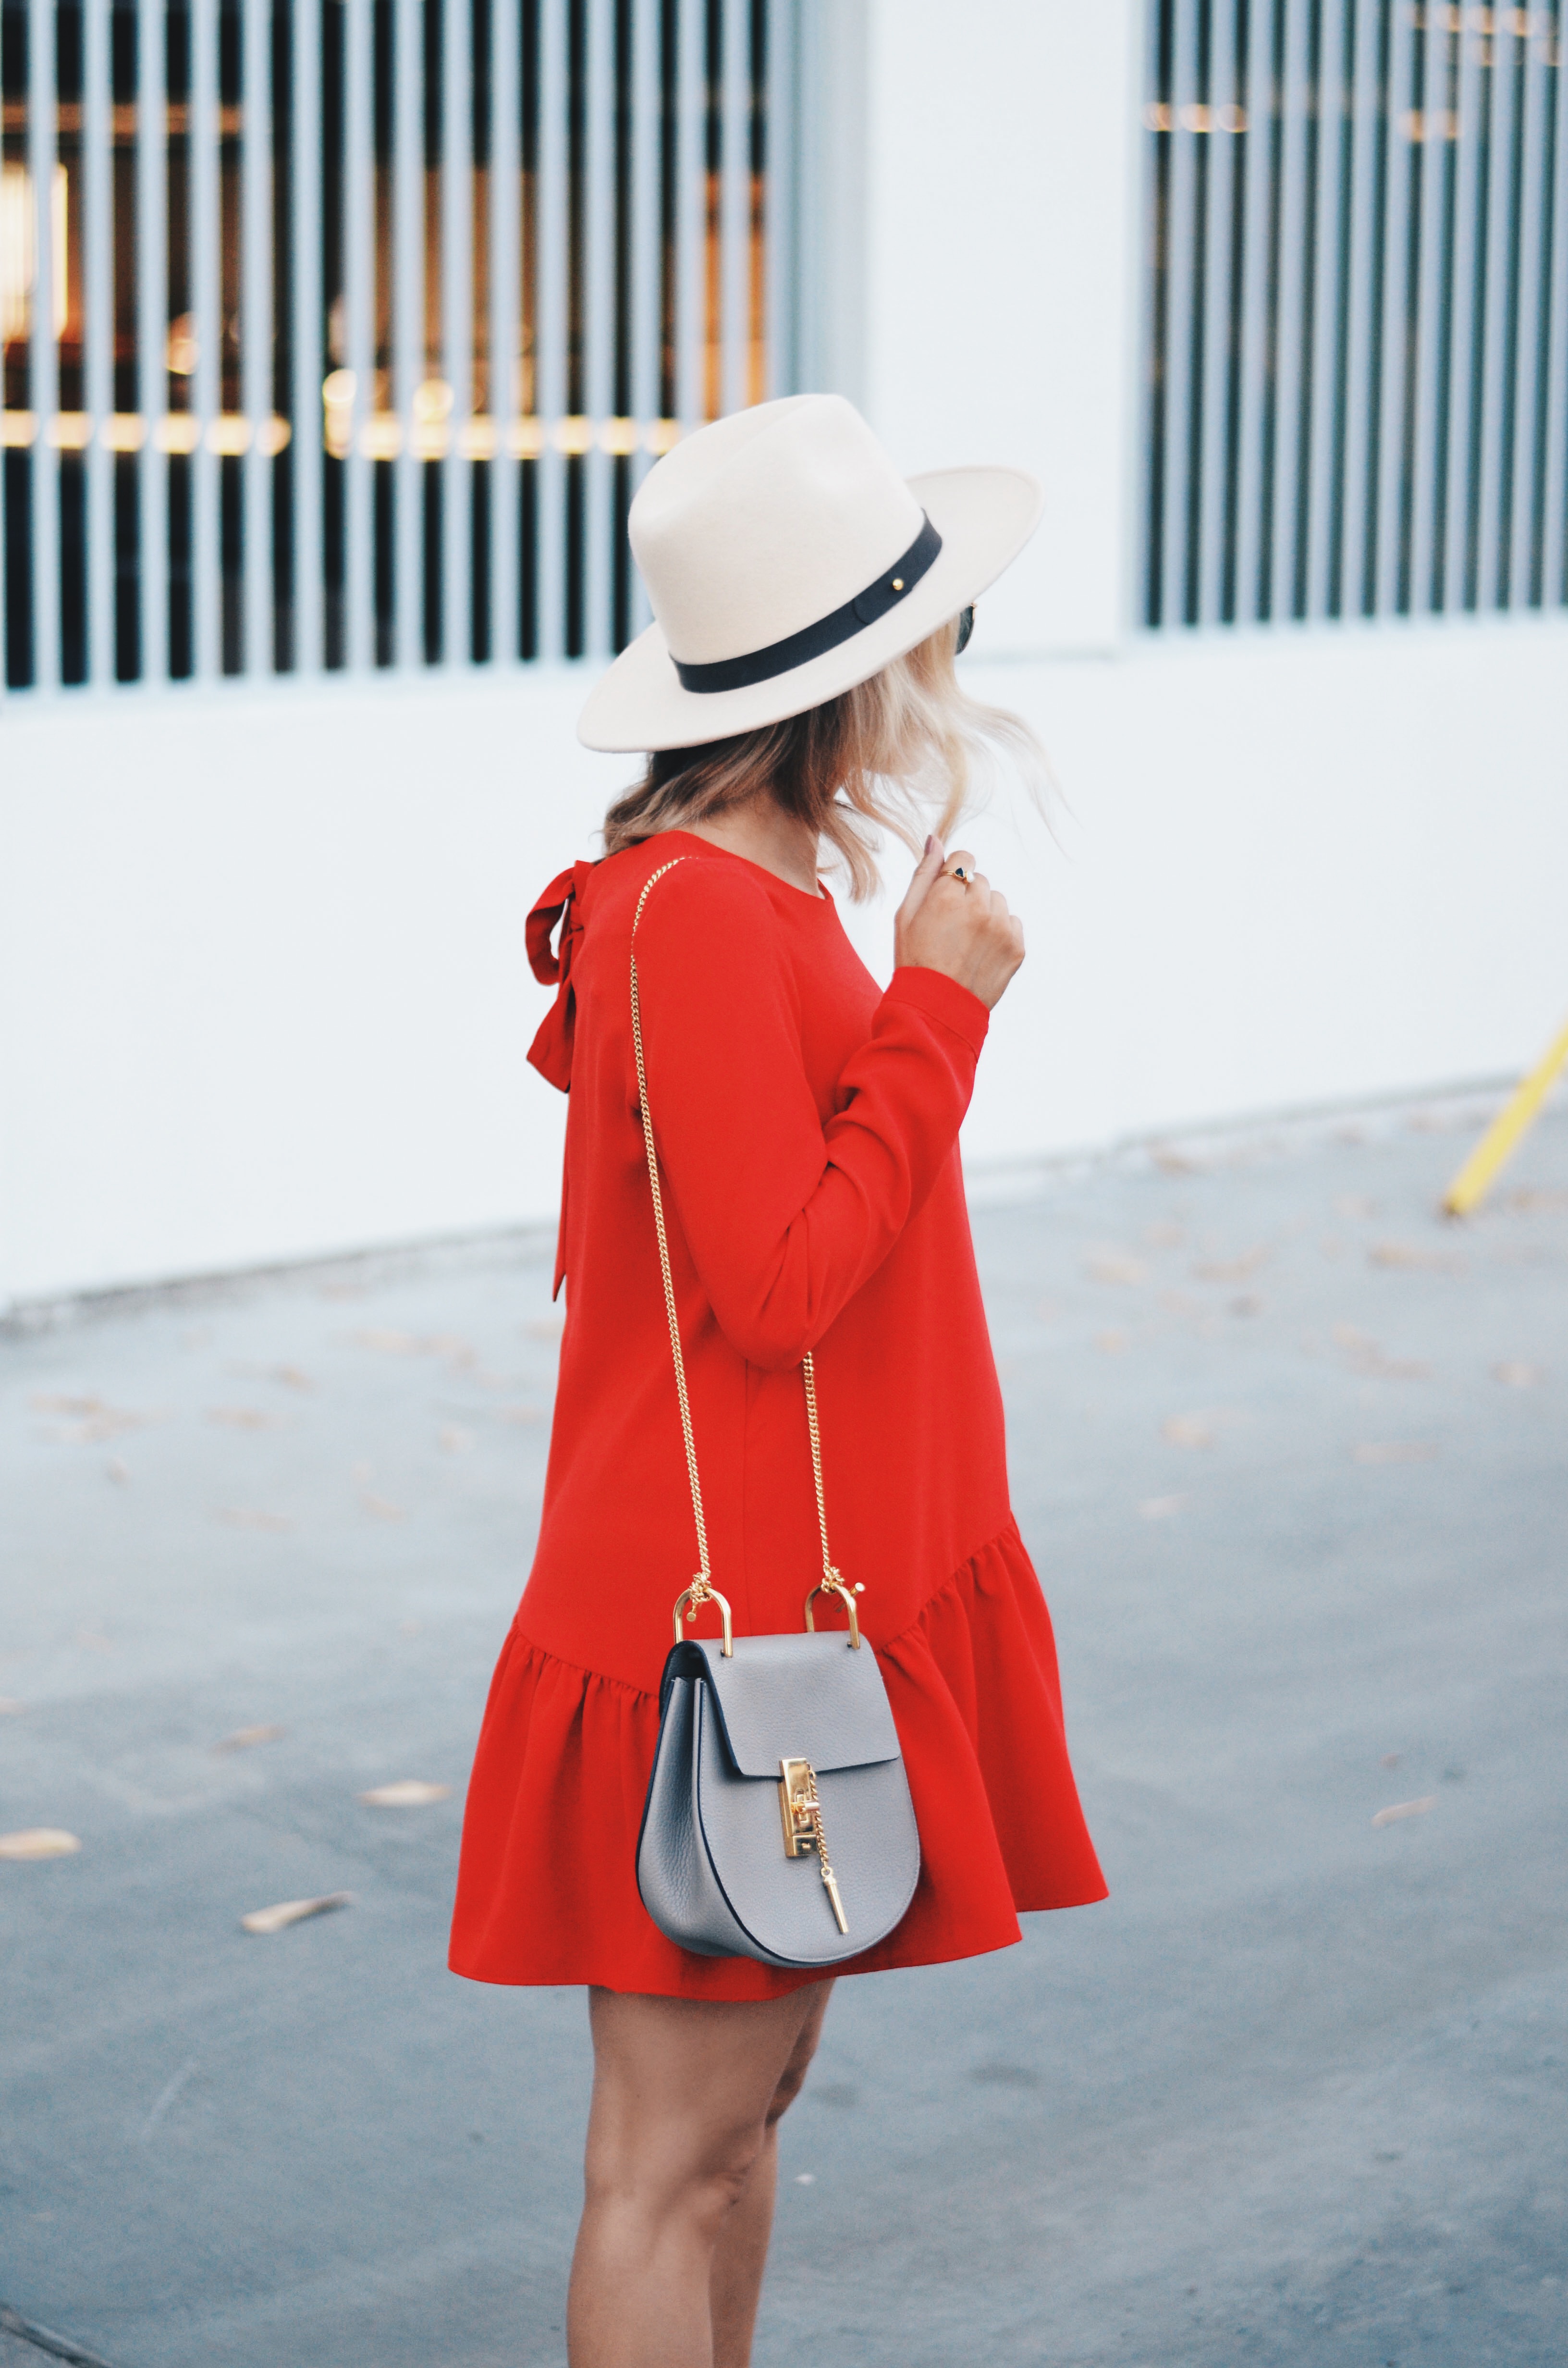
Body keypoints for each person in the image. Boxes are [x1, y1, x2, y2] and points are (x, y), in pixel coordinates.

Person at [449, 394, 1105, 2368]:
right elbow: (783, 1280)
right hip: (725, 1639)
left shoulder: (743, 890)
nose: (951, 672)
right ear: (856, 672)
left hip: (807, 1598)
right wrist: (941, 1014)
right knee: (670, 2156)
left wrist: (903, 993)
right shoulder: (700, 914)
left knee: (738, 2134)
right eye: (937, 635)